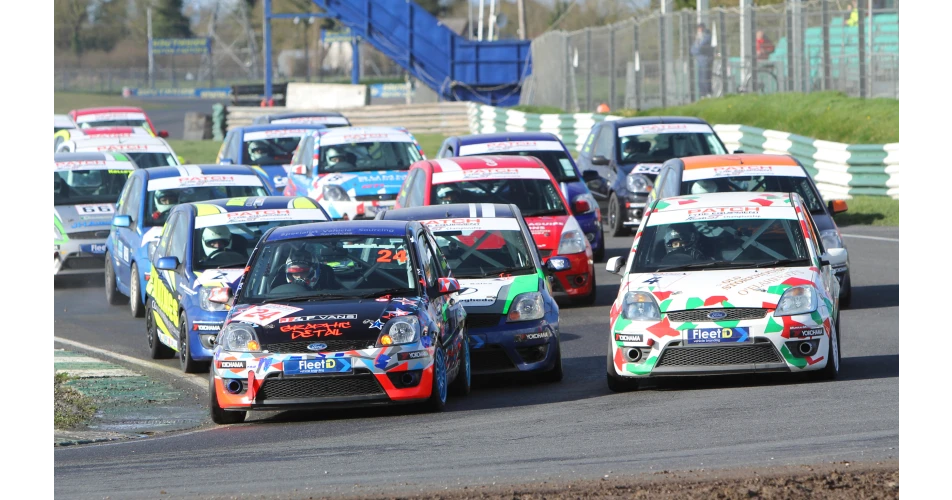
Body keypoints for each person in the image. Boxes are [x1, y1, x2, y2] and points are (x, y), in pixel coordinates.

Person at [274, 249, 342, 293]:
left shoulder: (332, 293)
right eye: (295, 274)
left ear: (315, 272)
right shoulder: (276, 295)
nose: (299, 277)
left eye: (304, 272)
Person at [690, 23, 714, 98]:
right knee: (700, 78)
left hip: (706, 60)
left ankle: (708, 93)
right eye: (698, 28)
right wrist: (697, 50)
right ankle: (702, 94)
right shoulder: (698, 38)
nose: (699, 29)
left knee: (706, 77)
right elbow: (692, 50)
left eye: (700, 28)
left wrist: (697, 50)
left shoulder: (707, 37)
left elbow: (700, 48)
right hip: (700, 61)